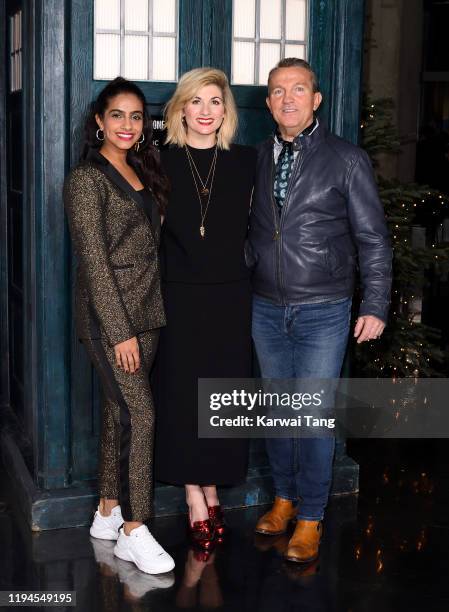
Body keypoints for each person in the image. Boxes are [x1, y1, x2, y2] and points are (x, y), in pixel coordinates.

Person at [247, 58, 392, 563]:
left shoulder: (346, 158)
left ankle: (310, 516)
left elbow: (373, 238)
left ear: (316, 99)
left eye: (299, 89)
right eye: (278, 91)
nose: (288, 98)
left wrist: (374, 303)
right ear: (268, 102)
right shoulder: (256, 157)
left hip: (324, 309)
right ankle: (283, 500)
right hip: (265, 307)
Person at [64, 77, 174, 575]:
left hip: (148, 312)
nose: (128, 125)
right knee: (141, 414)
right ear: (99, 122)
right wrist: (119, 331)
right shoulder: (86, 179)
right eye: (117, 116)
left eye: (136, 117)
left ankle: (107, 512)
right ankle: (135, 528)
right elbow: (94, 262)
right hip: (112, 319)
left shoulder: (139, 170)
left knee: (117, 412)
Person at [154, 68, 256, 549]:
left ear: (225, 110)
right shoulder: (157, 162)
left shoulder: (246, 162)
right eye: (195, 102)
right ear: (180, 109)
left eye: (215, 101)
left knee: (221, 396)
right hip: (178, 296)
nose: (205, 111)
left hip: (231, 297)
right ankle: (196, 494)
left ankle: (212, 484)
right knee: (182, 396)